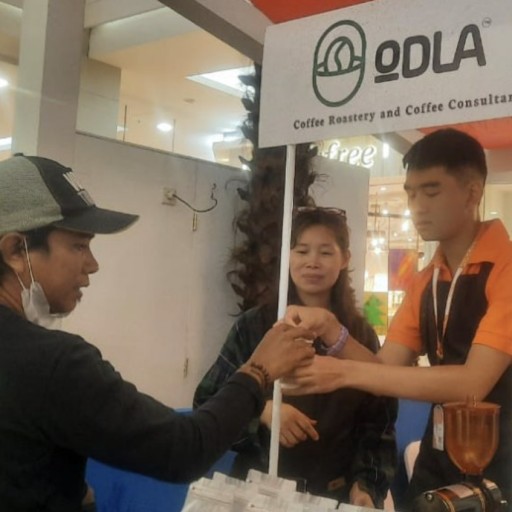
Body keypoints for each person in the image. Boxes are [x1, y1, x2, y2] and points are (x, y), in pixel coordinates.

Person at [0, 154, 316, 512]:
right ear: (16, 250)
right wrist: (258, 371)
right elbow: (183, 449)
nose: (92, 264)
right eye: (79, 245)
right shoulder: (53, 364)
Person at [282, 129, 512, 508]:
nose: (417, 206)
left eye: (431, 191)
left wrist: (342, 372)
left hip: (501, 465)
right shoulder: (427, 279)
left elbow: (473, 382)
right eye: (410, 193)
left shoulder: (505, 268)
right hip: (438, 462)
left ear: (472, 193)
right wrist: (331, 329)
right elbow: (384, 370)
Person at [194, 207, 397, 508]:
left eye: (325, 252)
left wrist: (365, 486)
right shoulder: (254, 326)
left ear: (345, 259)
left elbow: (379, 422)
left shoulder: (359, 336)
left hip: (333, 494)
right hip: (258, 492)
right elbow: (206, 402)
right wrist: (263, 412)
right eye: (302, 251)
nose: (312, 262)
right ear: (287, 256)